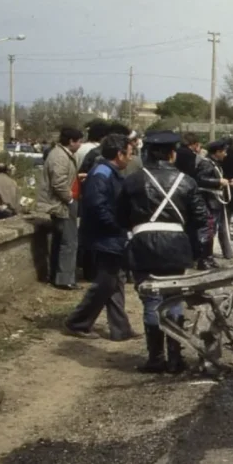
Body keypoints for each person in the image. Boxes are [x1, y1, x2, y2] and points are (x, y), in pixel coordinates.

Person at [118, 131, 209, 374]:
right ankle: (176, 358)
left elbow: (120, 216)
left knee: (151, 299)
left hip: (143, 244)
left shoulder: (133, 180)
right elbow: (201, 218)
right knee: (174, 299)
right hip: (175, 245)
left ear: (147, 153)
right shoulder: (187, 181)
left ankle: (156, 359)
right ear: (172, 154)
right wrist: (193, 244)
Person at [64, 134, 136, 341]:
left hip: (112, 237)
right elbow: (97, 207)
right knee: (105, 283)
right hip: (104, 237)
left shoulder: (108, 172)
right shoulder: (101, 174)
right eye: (129, 154)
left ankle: (120, 328)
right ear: (119, 154)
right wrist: (118, 226)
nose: (130, 159)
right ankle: (77, 321)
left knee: (116, 281)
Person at [39, 127, 84, 290]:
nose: (80, 144)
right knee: (69, 241)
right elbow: (58, 183)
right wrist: (70, 199)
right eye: (79, 141)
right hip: (62, 204)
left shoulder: (61, 154)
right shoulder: (59, 157)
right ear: (71, 141)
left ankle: (57, 276)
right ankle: (65, 279)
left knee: (61, 240)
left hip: (63, 203)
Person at [194, 140, 233, 268]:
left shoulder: (214, 164)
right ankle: (204, 259)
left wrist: (228, 182)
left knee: (213, 231)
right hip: (209, 202)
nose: (226, 154)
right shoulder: (206, 164)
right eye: (224, 151)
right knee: (208, 231)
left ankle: (209, 257)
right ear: (217, 152)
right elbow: (201, 179)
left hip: (215, 201)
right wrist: (218, 181)